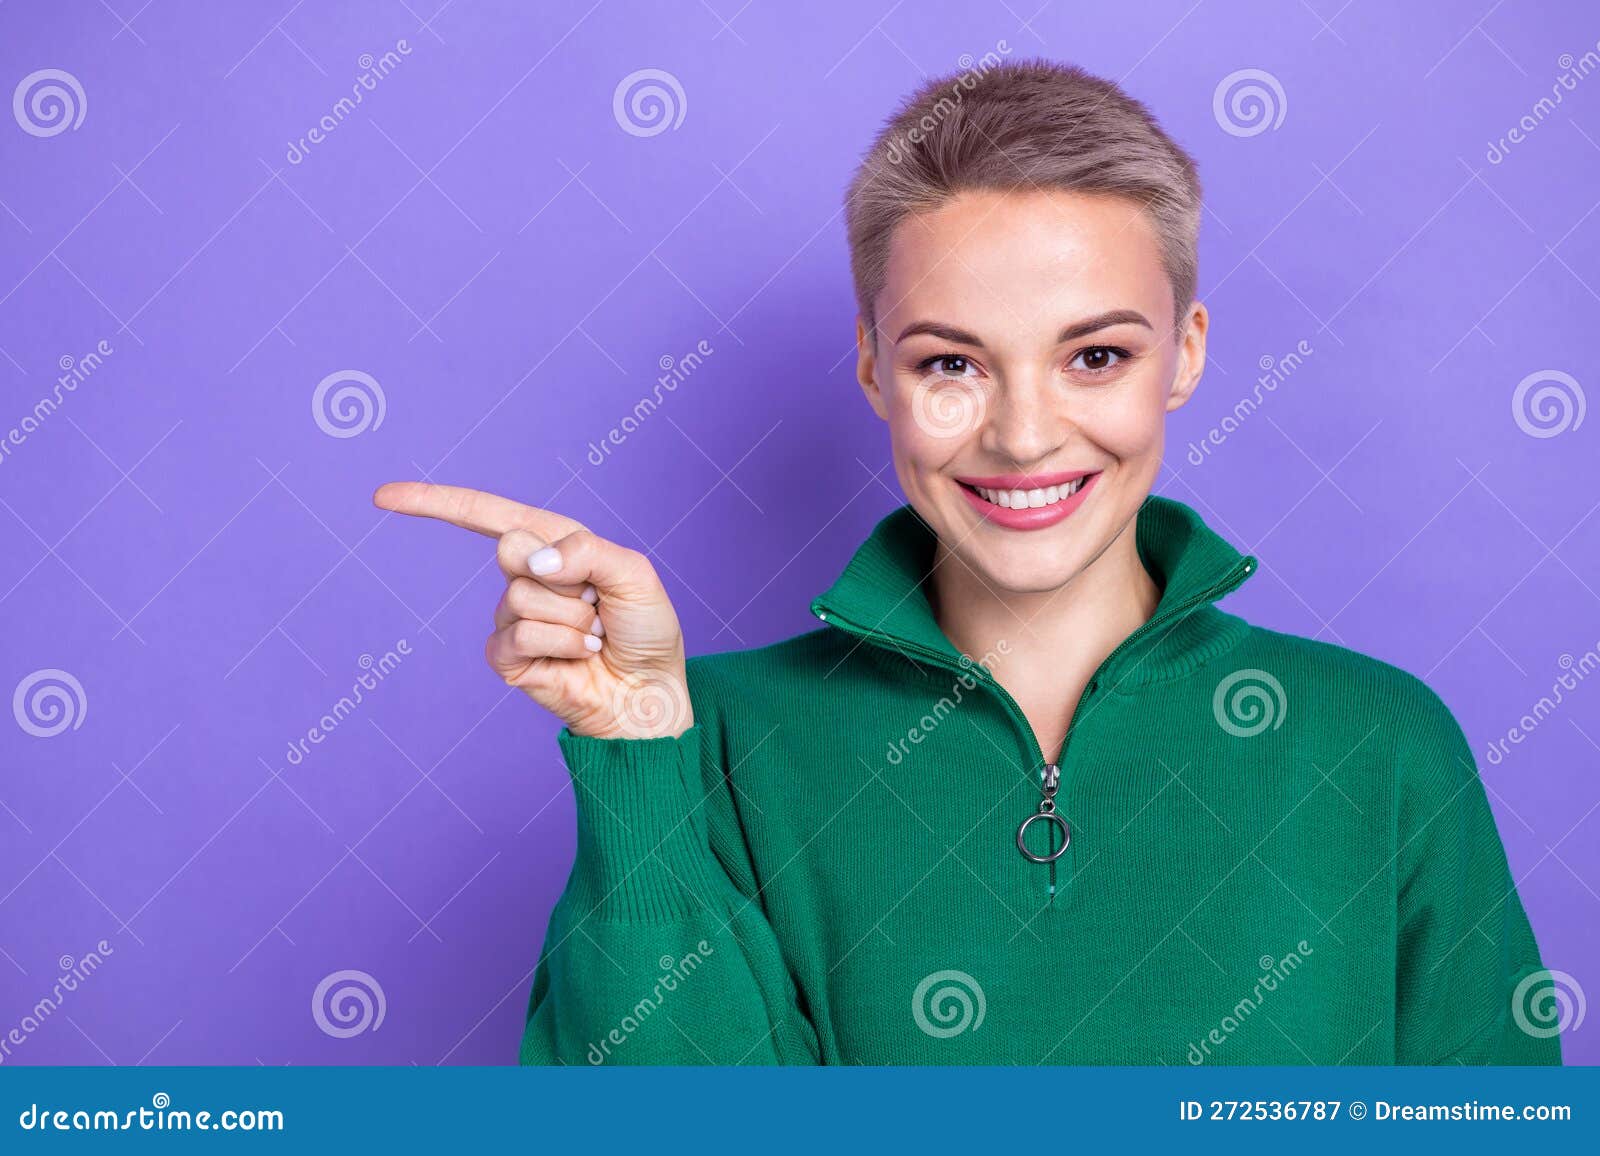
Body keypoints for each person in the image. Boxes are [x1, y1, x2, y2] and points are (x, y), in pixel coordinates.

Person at [374, 59, 1559, 1065]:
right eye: (952, 363)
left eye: (1094, 355)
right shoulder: (711, 735)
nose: (1024, 434)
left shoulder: (1378, 740)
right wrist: (635, 756)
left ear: (1184, 355)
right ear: (872, 365)